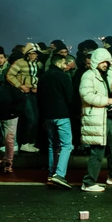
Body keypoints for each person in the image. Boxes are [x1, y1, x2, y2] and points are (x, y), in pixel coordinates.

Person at [78, 47, 112, 191]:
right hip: (97, 116)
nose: (105, 64)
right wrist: (107, 101)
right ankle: (88, 182)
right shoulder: (89, 75)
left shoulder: (110, 75)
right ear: (96, 61)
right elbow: (86, 95)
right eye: (102, 62)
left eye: (107, 62)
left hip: (108, 116)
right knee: (98, 150)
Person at [38, 54, 78, 188]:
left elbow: (39, 98)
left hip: (47, 115)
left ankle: (51, 173)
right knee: (66, 145)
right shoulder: (63, 76)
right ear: (60, 62)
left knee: (52, 145)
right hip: (61, 114)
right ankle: (60, 174)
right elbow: (70, 96)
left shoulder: (43, 77)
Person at [6, 43, 42, 153]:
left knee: (35, 118)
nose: (33, 56)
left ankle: (30, 142)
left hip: (34, 93)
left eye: (35, 54)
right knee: (30, 117)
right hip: (23, 94)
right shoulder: (19, 63)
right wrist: (20, 86)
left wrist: (36, 86)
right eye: (31, 53)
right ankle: (25, 143)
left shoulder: (39, 64)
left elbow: (37, 77)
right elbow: (9, 75)